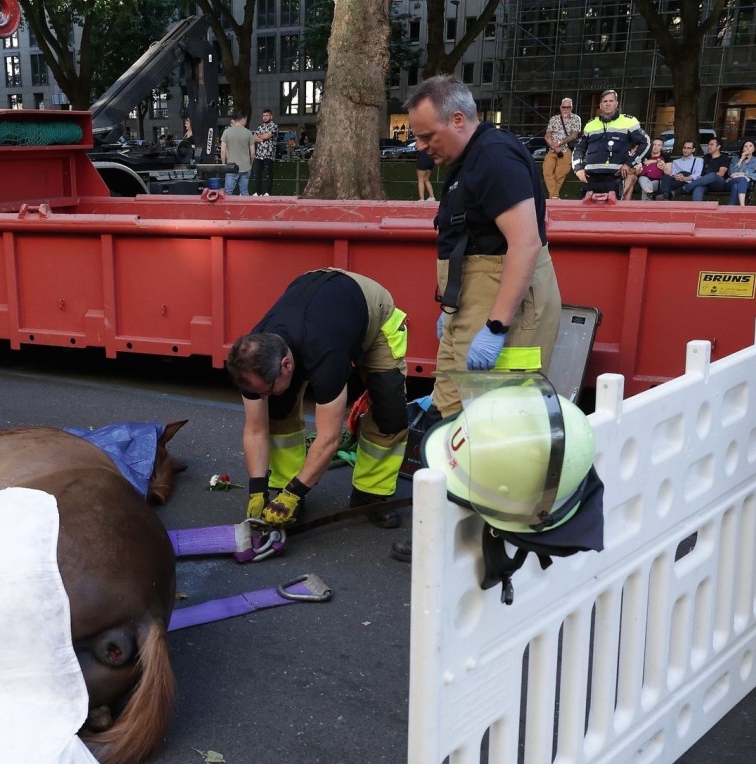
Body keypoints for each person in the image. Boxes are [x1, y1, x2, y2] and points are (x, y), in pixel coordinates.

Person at [400, 75, 563, 561]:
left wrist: (493, 327)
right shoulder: (473, 158)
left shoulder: (492, 157)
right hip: (474, 299)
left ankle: (491, 529)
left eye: (428, 136)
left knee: (496, 422)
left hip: (502, 306)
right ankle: (451, 523)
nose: (423, 148)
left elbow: (525, 243)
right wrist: (453, 312)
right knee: (450, 414)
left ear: (458, 118)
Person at [225, 269, 410, 530]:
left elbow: (329, 438)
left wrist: (295, 493)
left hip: (372, 313)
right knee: (277, 411)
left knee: (389, 413)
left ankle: (371, 493)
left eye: (265, 389)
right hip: (316, 304)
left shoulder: (326, 354)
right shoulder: (251, 360)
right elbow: (256, 429)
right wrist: (257, 490)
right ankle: (284, 486)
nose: (260, 397)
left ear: (287, 364)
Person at [571, 90, 649, 197]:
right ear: (600, 105)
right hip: (590, 179)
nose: (608, 104)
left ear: (616, 104)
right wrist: (578, 169)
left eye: (611, 101)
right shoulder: (590, 124)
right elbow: (579, 148)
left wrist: (629, 163)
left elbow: (646, 143)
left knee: (613, 213)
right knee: (587, 213)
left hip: (614, 178)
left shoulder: (629, 121)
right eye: (605, 101)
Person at [541, 98, 582, 199]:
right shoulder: (554, 119)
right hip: (552, 150)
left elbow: (574, 135)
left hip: (565, 151)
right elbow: (547, 135)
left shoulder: (576, 118)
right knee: (547, 171)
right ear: (560, 107)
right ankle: (554, 196)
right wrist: (553, 146)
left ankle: (553, 196)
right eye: (564, 107)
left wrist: (559, 143)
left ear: (571, 108)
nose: (566, 109)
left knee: (560, 175)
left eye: (568, 107)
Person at [220, 112, 255, 196]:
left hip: (231, 167)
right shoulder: (248, 133)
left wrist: (223, 164)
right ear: (242, 120)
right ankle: (245, 208)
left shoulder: (227, 132)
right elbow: (253, 152)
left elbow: (222, 150)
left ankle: (227, 209)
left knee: (228, 192)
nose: (246, 122)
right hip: (245, 167)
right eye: (246, 120)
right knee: (244, 191)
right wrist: (251, 163)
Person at [724, 138, 756, 206]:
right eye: (745, 146)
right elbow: (731, 173)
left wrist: (743, 174)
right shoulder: (735, 159)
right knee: (740, 180)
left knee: (737, 185)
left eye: (750, 146)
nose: (748, 148)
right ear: (742, 149)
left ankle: (731, 206)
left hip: (748, 183)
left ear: (754, 149)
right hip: (732, 181)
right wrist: (741, 160)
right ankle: (742, 206)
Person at [251, 108, 278, 196]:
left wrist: (261, 137)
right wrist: (263, 138)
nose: (265, 117)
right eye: (263, 116)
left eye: (267, 115)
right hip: (259, 154)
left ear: (271, 116)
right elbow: (254, 137)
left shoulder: (274, 126)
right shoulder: (260, 126)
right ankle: (258, 192)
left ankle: (267, 192)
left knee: (268, 173)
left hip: (269, 154)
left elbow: (267, 135)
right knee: (257, 173)